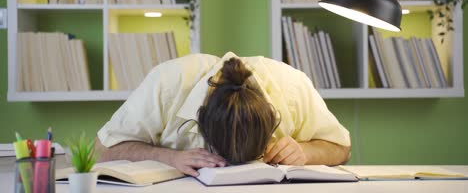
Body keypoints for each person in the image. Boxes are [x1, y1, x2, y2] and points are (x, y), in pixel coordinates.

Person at [95, 52, 351, 177]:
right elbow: (102, 150)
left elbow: (341, 148)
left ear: (273, 118)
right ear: (200, 119)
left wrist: (306, 152)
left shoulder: (291, 86)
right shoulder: (168, 83)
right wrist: (168, 157)